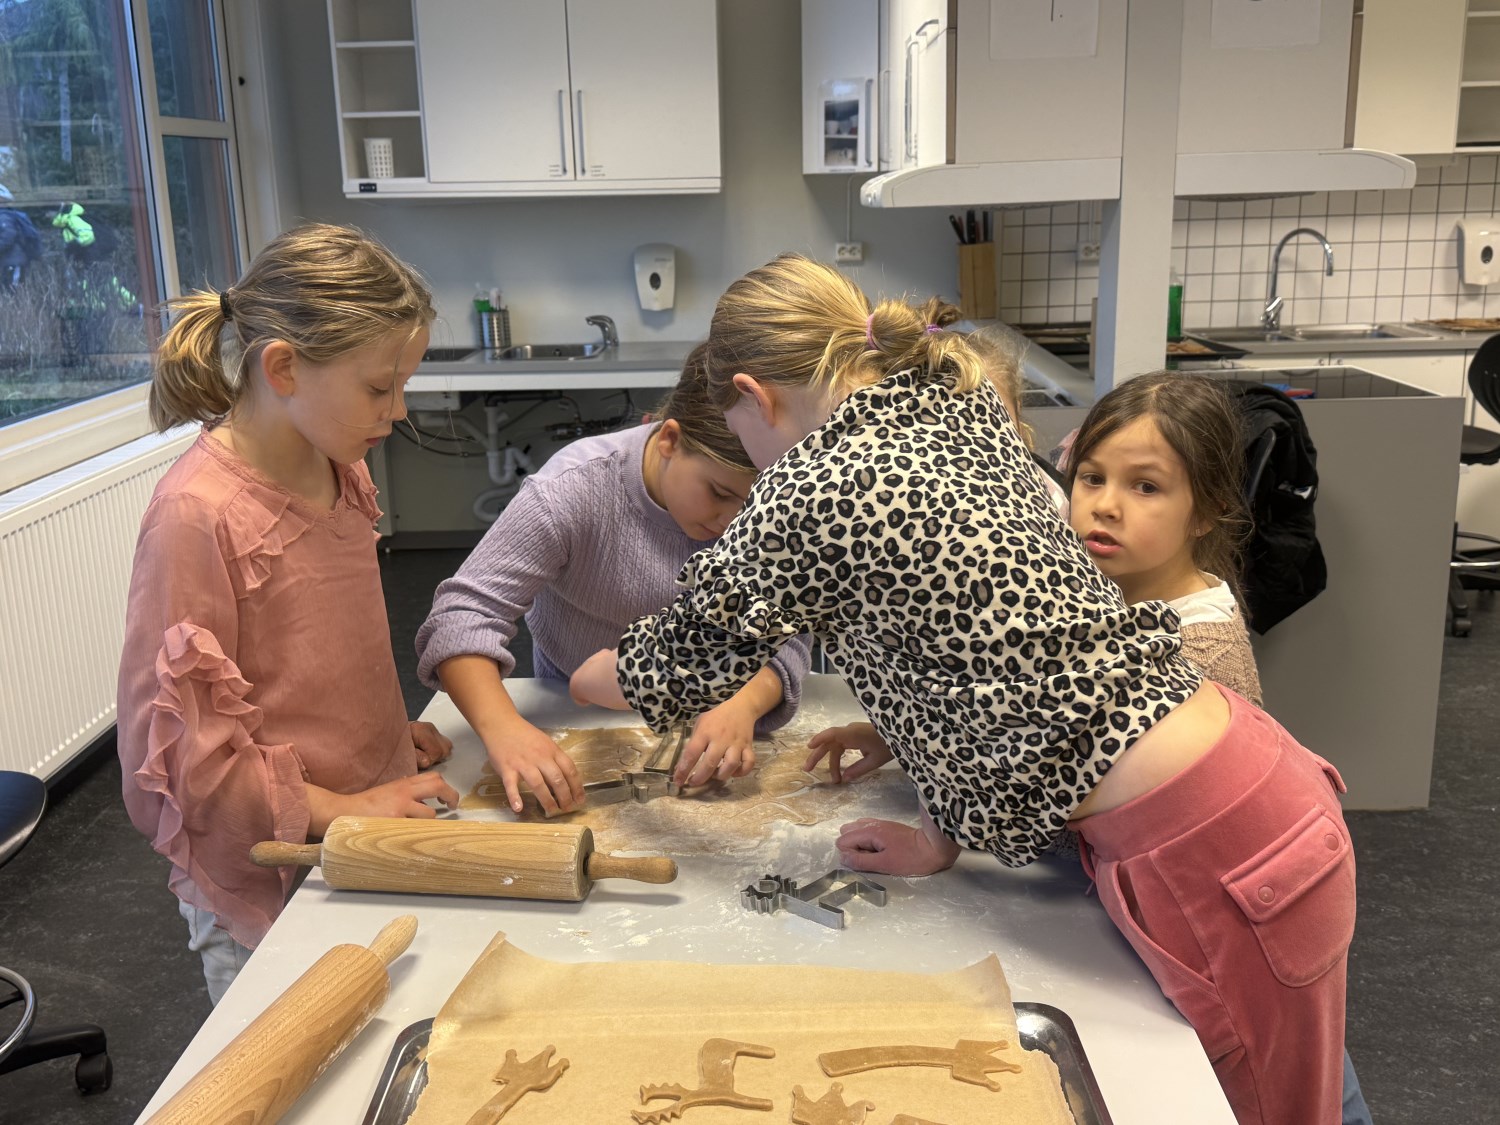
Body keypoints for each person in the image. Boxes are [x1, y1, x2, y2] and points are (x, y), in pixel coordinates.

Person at [570, 254, 1356, 1125]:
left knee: (1254, 1111)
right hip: (1237, 788)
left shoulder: (814, 483)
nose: (752, 468)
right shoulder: (956, 402)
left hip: (1215, 844)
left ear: (756, 398)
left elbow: (672, 666)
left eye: (740, 435)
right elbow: (965, 658)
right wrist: (937, 837)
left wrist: (582, 676)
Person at [116, 223, 460, 1004]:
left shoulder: (340, 466)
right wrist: (340, 805)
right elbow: (183, 764)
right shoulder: (197, 515)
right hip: (273, 866)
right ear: (283, 368)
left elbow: (312, 652)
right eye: (380, 388)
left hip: (357, 823)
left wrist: (375, 737)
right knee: (292, 1042)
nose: (398, 410)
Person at [1066, 371, 1373, 1125]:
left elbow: (1087, 774)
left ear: (1207, 511)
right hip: (1221, 894)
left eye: (1145, 487)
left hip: (1246, 912)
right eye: (1092, 478)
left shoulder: (1196, 644)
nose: (1105, 505)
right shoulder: (1121, 592)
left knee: (1286, 1079)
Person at [416, 345, 811, 817]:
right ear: (670, 440)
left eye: (752, 508)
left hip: (719, 715)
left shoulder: (779, 510)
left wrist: (743, 702)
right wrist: (505, 729)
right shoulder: (572, 490)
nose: (733, 523)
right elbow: (462, 618)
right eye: (719, 493)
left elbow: (788, 632)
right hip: (575, 709)